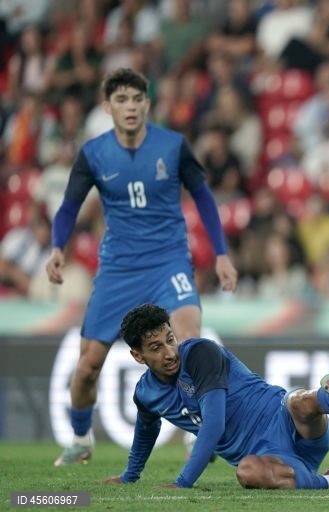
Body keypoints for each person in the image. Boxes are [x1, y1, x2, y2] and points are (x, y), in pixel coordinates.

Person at [49, 68, 239, 466]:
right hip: (118, 268)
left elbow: (203, 196)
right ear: (108, 107)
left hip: (169, 260)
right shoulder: (94, 153)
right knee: (87, 367)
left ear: (147, 104)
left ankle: (196, 431)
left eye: (137, 99)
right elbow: (69, 206)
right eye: (121, 100)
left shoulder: (172, 146)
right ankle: (82, 438)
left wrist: (220, 253)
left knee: (187, 340)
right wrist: (56, 247)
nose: (130, 107)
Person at [103, 303, 329, 490]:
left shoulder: (200, 354)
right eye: (155, 348)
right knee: (247, 473)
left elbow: (214, 424)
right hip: (270, 457)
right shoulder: (146, 394)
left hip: (289, 423)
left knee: (299, 402)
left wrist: (183, 483)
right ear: (137, 356)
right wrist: (130, 475)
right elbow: (146, 429)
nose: (169, 353)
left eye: (170, 339)